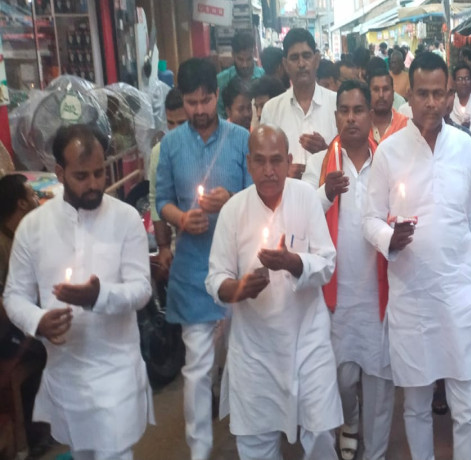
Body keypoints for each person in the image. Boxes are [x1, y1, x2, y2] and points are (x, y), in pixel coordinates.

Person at [363, 52, 471, 460]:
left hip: (460, 293)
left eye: (440, 93)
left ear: (449, 92)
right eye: (423, 93)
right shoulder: (389, 152)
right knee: (417, 404)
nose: (432, 103)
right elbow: (369, 219)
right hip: (412, 296)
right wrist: (390, 238)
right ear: (410, 95)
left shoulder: (465, 147)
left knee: (467, 403)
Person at [4, 124, 154, 459]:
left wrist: (99, 297)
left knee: (115, 453)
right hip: (66, 373)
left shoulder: (126, 218)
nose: (94, 184)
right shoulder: (33, 227)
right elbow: (14, 296)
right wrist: (38, 321)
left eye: (99, 173)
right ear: (59, 173)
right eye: (81, 176)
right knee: (82, 453)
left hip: (116, 370)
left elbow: (142, 289)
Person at [206, 125, 341, 460]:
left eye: (277, 161)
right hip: (255, 349)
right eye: (261, 161)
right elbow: (215, 278)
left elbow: (327, 264)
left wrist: (293, 262)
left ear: (289, 161)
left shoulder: (306, 197)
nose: (269, 170)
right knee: (256, 444)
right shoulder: (234, 210)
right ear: (249, 163)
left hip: (308, 341)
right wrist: (237, 289)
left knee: (321, 434)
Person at [156, 57, 252, 460]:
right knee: (197, 368)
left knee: (243, 362)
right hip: (193, 270)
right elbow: (161, 200)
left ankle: (251, 440)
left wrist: (231, 200)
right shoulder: (171, 145)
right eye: (191, 103)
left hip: (237, 268)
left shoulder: (241, 139)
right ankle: (199, 449)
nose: (198, 110)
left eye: (205, 101)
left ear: (217, 96)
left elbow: (258, 197)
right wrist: (181, 218)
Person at [303, 81, 395, 460]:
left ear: (371, 115)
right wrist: (325, 193)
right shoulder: (319, 164)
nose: (351, 118)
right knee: (341, 378)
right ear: (336, 115)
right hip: (336, 296)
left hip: (379, 293)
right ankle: (350, 419)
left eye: (359, 110)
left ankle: (376, 453)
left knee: (380, 381)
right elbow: (300, 215)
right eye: (344, 110)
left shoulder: (387, 161)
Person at [0, 174, 47, 455]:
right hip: (6, 332)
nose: (37, 198)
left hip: (18, 323)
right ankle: (35, 431)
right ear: (21, 203)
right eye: (32, 194)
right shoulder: (2, 245)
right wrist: (29, 315)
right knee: (54, 344)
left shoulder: (23, 235)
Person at [260, 28, 338, 179]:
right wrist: (284, 170)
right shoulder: (271, 109)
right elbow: (264, 162)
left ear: (316, 60)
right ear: (285, 64)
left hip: (328, 192)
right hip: (287, 192)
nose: (301, 64)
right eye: (294, 58)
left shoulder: (336, 104)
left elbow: (349, 159)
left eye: (306, 56)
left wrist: (326, 152)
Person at [148, 89, 187, 283]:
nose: (175, 129)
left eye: (181, 123)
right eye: (170, 123)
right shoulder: (159, 152)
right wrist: (163, 247)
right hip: (177, 239)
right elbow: (155, 198)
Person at [217, 31, 265, 117]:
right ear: (233, 55)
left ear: (254, 54)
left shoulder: (264, 76)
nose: (245, 65)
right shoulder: (222, 79)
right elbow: (219, 113)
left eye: (249, 59)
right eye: (240, 59)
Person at [367, 64, 408, 143]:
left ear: (393, 93)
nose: (381, 95)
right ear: (368, 94)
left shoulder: (405, 125)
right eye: (376, 89)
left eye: (385, 89)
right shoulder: (361, 125)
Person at [450, 64, 471, 128]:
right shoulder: (449, 103)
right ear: (454, 83)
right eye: (460, 79)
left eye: (467, 78)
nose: (463, 82)